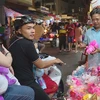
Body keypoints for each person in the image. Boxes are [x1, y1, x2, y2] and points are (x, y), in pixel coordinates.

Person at [9, 16, 64, 100]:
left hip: (16, 80)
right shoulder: (27, 44)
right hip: (27, 82)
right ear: (19, 30)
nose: (33, 31)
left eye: (33, 28)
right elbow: (40, 65)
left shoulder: (12, 40)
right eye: (28, 28)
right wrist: (55, 60)